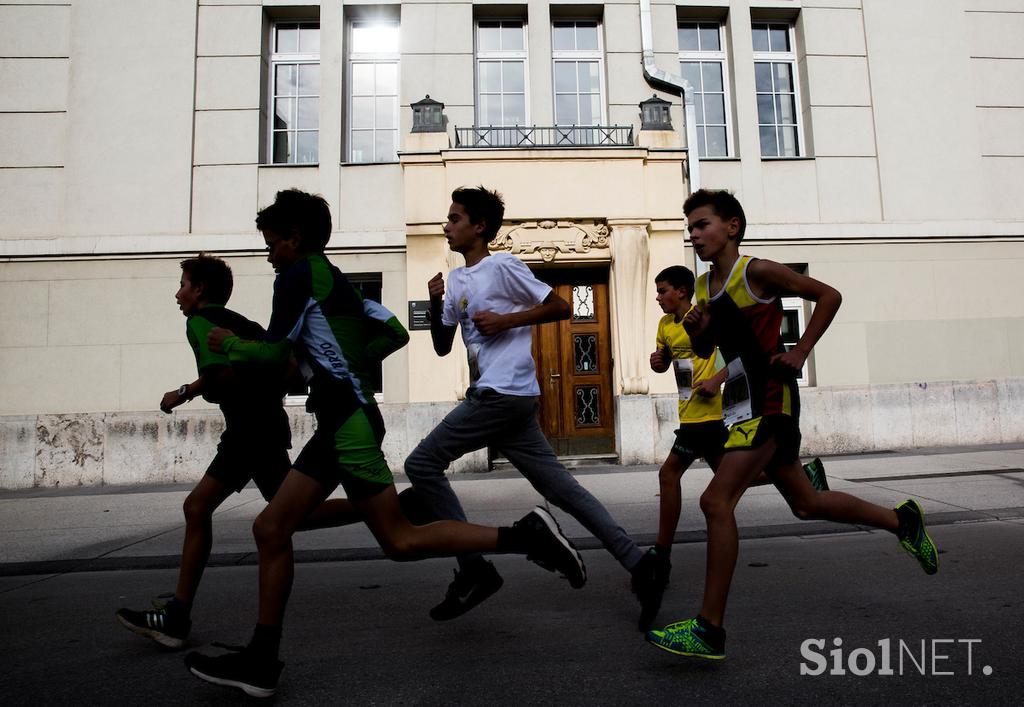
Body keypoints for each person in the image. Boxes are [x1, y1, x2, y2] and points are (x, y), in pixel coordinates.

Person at [184, 189, 586, 699]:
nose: (268, 254)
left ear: (294, 238)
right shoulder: (338, 284)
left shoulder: (298, 276)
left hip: (346, 422)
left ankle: (524, 536)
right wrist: (345, 369)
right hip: (342, 418)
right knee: (274, 526)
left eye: (271, 243)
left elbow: (273, 355)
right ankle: (261, 659)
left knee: (397, 541)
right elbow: (391, 332)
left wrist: (230, 344)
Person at [646, 189, 938, 660]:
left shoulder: (755, 271)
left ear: (732, 226)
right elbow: (708, 351)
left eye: (702, 224)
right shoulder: (702, 288)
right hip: (741, 402)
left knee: (715, 499)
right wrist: (700, 333)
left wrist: (800, 349)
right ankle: (901, 521)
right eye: (690, 227)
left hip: (771, 398)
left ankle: (709, 629)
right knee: (806, 503)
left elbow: (828, 295)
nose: (694, 234)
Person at [404, 186, 659, 624]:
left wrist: (508, 319)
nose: (446, 226)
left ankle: (474, 569)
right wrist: (433, 301)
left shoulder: (502, 266)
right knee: (563, 491)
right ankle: (640, 563)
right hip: (506, 401)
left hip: (503, 394)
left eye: (455, 218)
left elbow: (559, 306)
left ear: (479, 227)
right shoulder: (457, 280)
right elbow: (445, 347)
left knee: (421, 465)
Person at [115, 254, 361, 649]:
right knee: (291, 514)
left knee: (203, 509)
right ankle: (379, 509)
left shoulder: (196, 323)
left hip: (248, 432)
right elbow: (284, 366)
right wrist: (185, 392)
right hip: (264, 426)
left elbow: (219, 377)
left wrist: (208, 389)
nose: (177, 293)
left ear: (199, 290)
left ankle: (177, 618)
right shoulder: (244, 325)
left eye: (182, 284)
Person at [642, 265, 827, 631]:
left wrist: (716, 377)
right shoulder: (666, 326)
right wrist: (658, 362)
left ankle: (663, 556)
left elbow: (736, 355)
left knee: (675, 476)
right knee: (737, 477)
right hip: (689, 409)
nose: (659, 297)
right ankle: (805, 476)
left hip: (711, 414)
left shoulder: (708, 311)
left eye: (663, 291)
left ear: (681, 291)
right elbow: (669, 362)